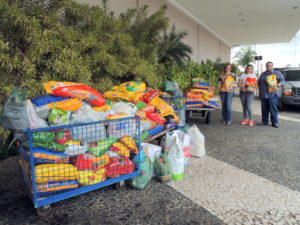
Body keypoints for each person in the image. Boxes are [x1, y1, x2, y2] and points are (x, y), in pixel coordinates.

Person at [257, 61, 285, 128]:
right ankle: (264, 121)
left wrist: (278, 84)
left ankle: (275, 122)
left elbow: (282, 80)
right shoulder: (263, 74)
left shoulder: (277, 73)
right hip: (264, 94)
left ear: (272, 66)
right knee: (264, 109)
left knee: (273, 109)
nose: (268, 66)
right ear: (265, 66)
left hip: (273, 94)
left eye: (270, 65)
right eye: (267, 65)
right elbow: (259, 82)